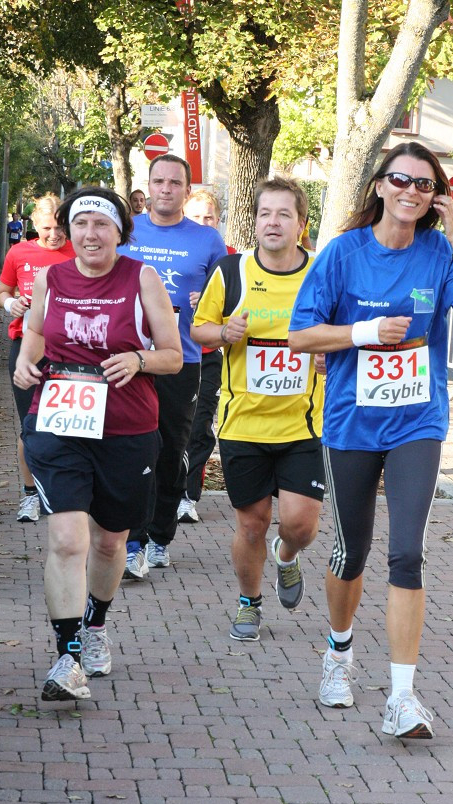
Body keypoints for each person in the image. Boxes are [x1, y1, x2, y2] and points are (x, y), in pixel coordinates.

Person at [288, 141, 453, 738]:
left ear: (435, 198)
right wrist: (364, 331)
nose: (412, 191)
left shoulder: (437, 252)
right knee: (351, 550)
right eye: (401, 180)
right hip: (352, 420)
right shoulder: (343, 253)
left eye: (425, 185)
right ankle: (338, 653)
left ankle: (402, 698)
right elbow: (300, 339)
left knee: (408, 551)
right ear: (380, 185)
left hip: (417, 421)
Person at [13, 187, 182, 701]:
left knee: (109, 542)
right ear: (69, 229)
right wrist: (25, 360)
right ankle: (67, 657)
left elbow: (174, 355)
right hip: (60, 419)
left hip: (127, 428)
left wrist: (139, 360)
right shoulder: (51, 277)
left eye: (101, 225)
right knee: (67, 539)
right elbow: (36, 336)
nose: (90, 233)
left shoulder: (141, 279)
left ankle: (96, 625)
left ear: (119, 233)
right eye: (81, 223)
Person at [192, 176, 325, 642]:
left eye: (284, 214)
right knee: (252, 525)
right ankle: (249, 603)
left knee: (300, 524)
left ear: (300, 224)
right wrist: (226, 332)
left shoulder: (321, 273)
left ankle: (287, 557)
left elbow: (341, 332)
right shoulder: (233, 272)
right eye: (265, 213)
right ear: (255, 221)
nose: (273, 222)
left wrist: (331, 355)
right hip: (242, 422)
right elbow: (199, 330)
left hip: (303, 423)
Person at [117, 154, 227, 577]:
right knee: (132, 452)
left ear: (186, 189)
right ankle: (133, 541)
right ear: (149, 187)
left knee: (170, 451)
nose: (166, 188)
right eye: (159, 181)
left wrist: (209, 310)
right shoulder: (127, 232)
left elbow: (222, 301)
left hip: (181, 361)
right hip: (129, 359)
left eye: (175, 183)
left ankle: (160, 535)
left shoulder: (207, 241)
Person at [0, 194, 75, 523]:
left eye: (60, 228)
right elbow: (3, 290)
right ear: (33, 225)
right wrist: (9, 305)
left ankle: (64, 491)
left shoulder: (78, 253)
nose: (54, 235)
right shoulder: (19, 253)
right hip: (26, 347)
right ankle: (30, 495)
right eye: (47, 228)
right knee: (30, 425)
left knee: (68, 425)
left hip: (70, 350)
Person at [178, 189, 236, 524]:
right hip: (168, 349)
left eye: (209, 217)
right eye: (197, 216)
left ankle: (187, 495)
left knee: (198, 425)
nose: (203, 223)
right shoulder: (174, 247)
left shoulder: (231, 259)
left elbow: (245, 309)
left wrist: (217, 304)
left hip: (207, 352)